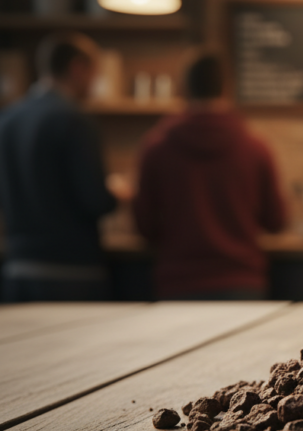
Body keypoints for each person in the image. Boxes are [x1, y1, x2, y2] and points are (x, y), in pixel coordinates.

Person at [133, 55, 287, 300]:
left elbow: (144, 226)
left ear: (184, 89)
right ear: (226, 88)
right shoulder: (256, 148)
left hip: (178, 285)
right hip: (242, 283)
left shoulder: (156, 148)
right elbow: (276, 220)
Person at [0, 33, 118, 302]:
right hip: (71, 271)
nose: (94, 83)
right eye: (94, 73)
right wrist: (115, 195)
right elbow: (95, 200)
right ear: (78, 67)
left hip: (17, 268)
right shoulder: (74, 120)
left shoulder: (6, 121)